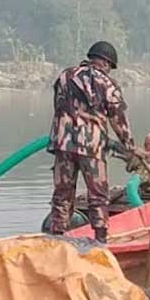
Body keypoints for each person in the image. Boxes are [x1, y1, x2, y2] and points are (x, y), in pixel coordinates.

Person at [46, 40, 135, 240]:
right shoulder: (106, 83)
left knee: (62, 195)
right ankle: (101, 240)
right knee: (98, 196)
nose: (109, 71)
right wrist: (129, 146)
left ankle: (58, 238)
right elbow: (118, 119)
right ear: (105, 62)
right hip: (92, 148)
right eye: (110, 67)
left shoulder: (64, 76)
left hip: (63, 145)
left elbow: (58, 106)